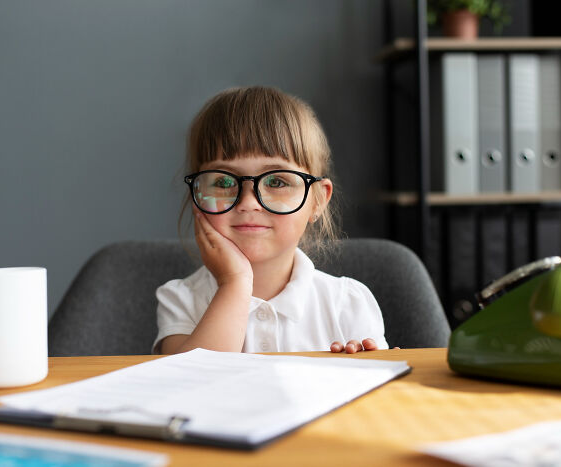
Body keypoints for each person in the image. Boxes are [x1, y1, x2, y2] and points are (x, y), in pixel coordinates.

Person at [153, 86, 388, 355]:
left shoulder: (348, 304)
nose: (248, 203)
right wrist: (235, 282)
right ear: (196, 196)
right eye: (223, 181)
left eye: (277, 181)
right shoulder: (181, 300)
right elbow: (186, 386)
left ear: (318, 201)